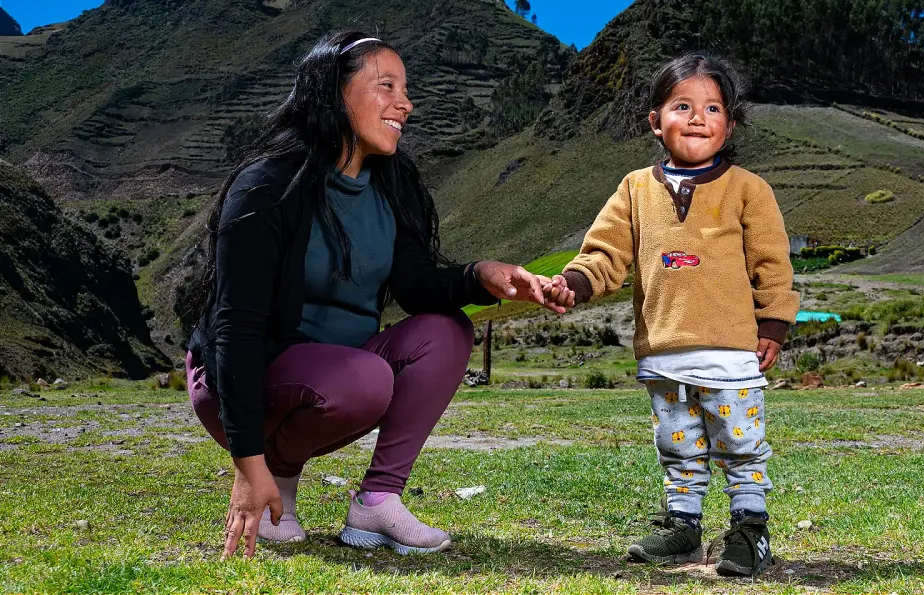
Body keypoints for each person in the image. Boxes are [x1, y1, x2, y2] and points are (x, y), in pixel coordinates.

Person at [182, 31, 561, 559]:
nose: (405, 104)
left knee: (447, 330)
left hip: (340, 377)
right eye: (386, 86)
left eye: (405, 90)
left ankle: (377, 502)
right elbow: (235, 328)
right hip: (238, 378)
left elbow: (415, 286)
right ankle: (276, 484)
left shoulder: (391, 185)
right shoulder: (268, 186)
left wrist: (481, 275)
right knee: (365, 378)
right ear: (334, 93)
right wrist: (249, 467)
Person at [543, 52, 799, 576]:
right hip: (664, 352)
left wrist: (774, 323)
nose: (699, 117)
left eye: (713, 107)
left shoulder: (749, 189)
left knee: (741, 449)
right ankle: (681, 530)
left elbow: (773, 265)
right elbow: (604, 253)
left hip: (732, 353)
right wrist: (572, 282)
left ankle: (750, 533)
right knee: (678, 448)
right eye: (682, 105)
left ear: (729, 124)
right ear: (656, 122)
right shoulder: (636, 188)